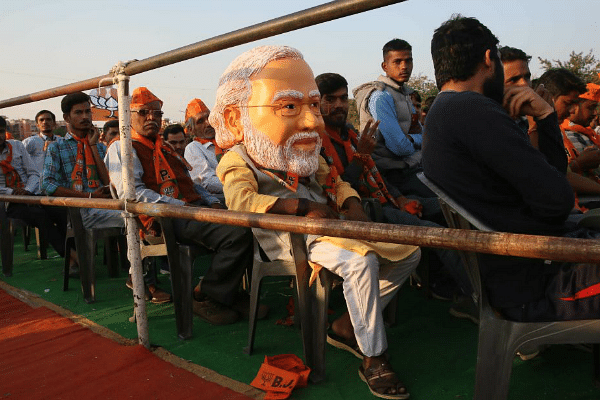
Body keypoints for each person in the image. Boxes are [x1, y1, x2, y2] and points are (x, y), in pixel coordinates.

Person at [213, 45, 421, 399]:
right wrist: (298, 208)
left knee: (411, 251)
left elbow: (337, 182)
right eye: (290, 107)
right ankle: (374, 358)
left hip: (330, 230)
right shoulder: (237, 159)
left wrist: (351, 201)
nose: (313, 120)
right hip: (287, 238)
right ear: (236, 119)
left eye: (312, 106)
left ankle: (345, 327)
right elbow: (239, 202)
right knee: (361, 262)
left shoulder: (305, 149)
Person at [424, 15, 600, 323]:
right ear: (490, 59)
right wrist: (545, 114)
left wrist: (543, 121)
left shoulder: (443, 112)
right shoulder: (473, 110)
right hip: (541, 285)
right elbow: (558, 201)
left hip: (519, 277)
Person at [316, 72, 474, 319]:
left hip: (386, 200)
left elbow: (377, 174)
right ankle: (476, 298)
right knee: (436, 232)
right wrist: (361, 157)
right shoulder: (315, 141)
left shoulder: (350, 133)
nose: (338, 105)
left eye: (342, 98)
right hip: (366, 214)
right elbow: (338, 189)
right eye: (330, 99)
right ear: (317, 102)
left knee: (452, 209)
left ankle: (446, 284)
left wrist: (400, 198)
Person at [105, 87, 255, 324]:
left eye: (156, 113)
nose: (151, 118)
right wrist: (183, 207)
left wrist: (213, 203)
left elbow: (190, 184)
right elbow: (132, 195)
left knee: (251, 221)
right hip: (163, 220)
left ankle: (227, 294)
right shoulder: (123, 146)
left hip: (188, 212)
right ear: (128, 116)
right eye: (143, 113)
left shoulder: (163, 145)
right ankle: (205, 294)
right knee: (238, 233)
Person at [353, 39, 431, 198]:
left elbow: (424, 135)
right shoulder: (380, 97)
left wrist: (412, 138)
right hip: (392, 175)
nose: (404, 66)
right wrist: (416, 140)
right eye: (397, 61)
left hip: (411, 167)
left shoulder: (404, 94)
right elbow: (400, 147)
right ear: (385, 66)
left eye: (408, 61)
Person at [0, 116, 67, 258]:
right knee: (40, 215)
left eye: (0, 132)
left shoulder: (16, 146)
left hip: (28, 194)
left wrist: (27, 190)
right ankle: (71, 256)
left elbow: (33, 173)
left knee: (61, 210)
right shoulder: (30, 141)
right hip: (6, 203)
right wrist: (13, 192)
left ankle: (72, 255)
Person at [183, 98, 225, 202]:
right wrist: (238, 185)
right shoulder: (193, 148)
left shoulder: (225, 141)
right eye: (200, 121)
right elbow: (207, 182)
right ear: (191, 129)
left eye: (209, 117)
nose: (208, 123)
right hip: (219, 201)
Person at [23, 110, 61, 177]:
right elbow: (18, 159)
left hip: (58, 180)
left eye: (48, 119)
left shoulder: (61, 141)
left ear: (54, 123)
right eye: (41, 120)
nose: (45, 122)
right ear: (37, 125)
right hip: (38, 182)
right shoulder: (30, 142)